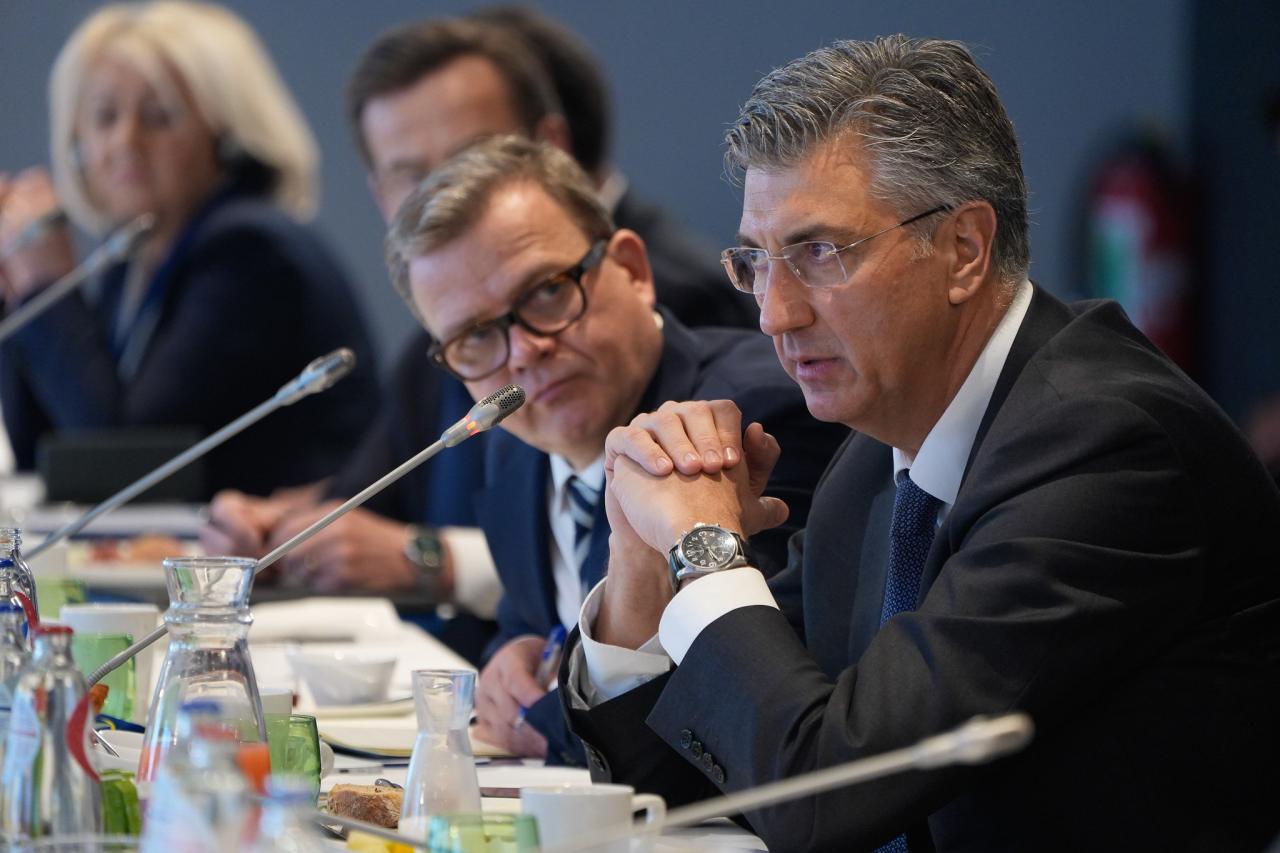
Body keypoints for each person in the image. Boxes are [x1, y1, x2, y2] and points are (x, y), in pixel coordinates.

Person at [562, 36, 1280, 851]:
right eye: (756, 261)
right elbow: (681, 780)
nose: (774, 313)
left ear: (964, 250)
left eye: (818, 252)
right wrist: (641, 556)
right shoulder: (879, 452)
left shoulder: (1107, 448)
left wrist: (704, 549)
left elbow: (824, 794)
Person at [203, 15, 752, 622]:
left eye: (472, 158)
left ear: (547, 149)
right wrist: (273, 528)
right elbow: (372, 496)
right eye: (411, 175)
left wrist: (434, 562)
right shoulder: (450, 346)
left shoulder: (654, 310)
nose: (524, 352)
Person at [385, 135, 846, 764]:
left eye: (547, 292)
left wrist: (550, 720)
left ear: (632, 268)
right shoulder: (515, 449)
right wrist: (510, 660)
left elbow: (725, 703)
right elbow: (535, 627)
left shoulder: (745, 420)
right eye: (474, 337)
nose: (524, 352)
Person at [0, 1, 378, 498]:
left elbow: (127, 467)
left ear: (227, 136)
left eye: (158, 117)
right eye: (104, 117)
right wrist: (20, 297)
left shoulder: (250, 254)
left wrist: (47, 285)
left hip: (288, 543)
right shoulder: (131, 260)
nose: (125, 141)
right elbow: (48, 454)